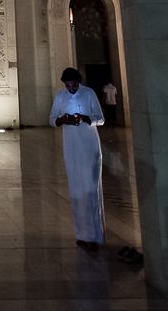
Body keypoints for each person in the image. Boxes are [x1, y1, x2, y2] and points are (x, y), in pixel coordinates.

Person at [49, 67, 105, 250]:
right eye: (67, 85)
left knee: (90, 190)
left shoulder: (88, 94)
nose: (71, 88)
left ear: (78, 82)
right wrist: (63, 120)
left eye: (73, 84)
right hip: (71, 149)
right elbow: (52, 119)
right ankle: (82, 235)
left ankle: (95, 236)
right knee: (76, 192)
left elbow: (100, 118)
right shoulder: (60, 96)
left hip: (89, 148)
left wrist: (86, 118)